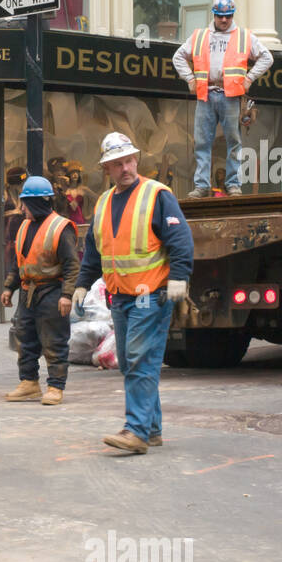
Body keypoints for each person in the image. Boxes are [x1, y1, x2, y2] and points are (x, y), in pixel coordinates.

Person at [74, 132, 194, 453]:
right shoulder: (102, 203)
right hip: (120, 297)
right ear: (107, 169)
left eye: (128, 161)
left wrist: (179, 281)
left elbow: (181, 242)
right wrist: (82, 284)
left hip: (151, 295)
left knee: (141, 359)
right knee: (130, 363)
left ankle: (136, 430)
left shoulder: (158, 195)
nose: (124, 168)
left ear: (136, 160)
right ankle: (151, 429)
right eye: (117, 164)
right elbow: (94, 252)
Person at [173, 0, 274, 197]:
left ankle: (232, 183)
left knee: (233, 141)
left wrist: (249, 79)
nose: (224, 20)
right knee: (202, 142)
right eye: (220, 16)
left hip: (230, 96)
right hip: (206, 94)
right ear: (214, 15)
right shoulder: (200, 36)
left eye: (228, 16)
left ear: (232, 15)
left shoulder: (244, 37)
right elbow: (178, 57)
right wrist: (190, 80)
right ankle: (202, 186)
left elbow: (267, 57)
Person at [0, 175, 79, 406]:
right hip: (28, 291)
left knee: (54, 341)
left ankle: (55, 386)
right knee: (26, 339)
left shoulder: (60, 227)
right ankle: (29, 383)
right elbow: (19, 261)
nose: (22, 208)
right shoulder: (24, 226)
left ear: (36, 203)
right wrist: (9, 287)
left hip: (52, 291)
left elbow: (72, 264)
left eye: (25, 203)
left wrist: (66, 295)